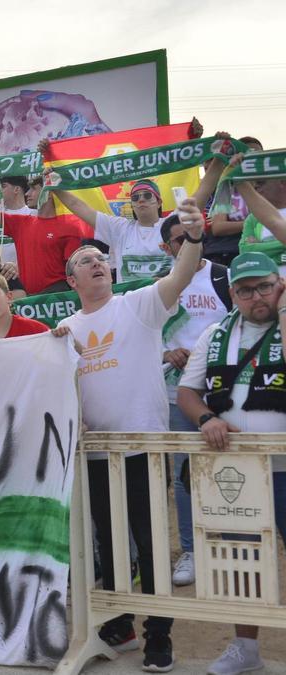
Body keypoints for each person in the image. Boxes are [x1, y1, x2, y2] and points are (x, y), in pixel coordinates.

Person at [56, 197, 207, 671]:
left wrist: (196, 237)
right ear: (72, 281)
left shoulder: (139, 305)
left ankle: (158, 634)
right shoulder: (64, 329)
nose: (97, 263)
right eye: (85, 261)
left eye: (101, 258)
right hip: (95, 455)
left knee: (148, 543)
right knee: (109, 541)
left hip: (142, 449)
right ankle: (120, 621)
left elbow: (181, 275)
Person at [174, 251, 286, 675]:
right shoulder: (215, 333)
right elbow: (188, 392)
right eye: (244, 290)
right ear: (233, 294)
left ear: (279, 284)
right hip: (237, 471)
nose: (256, 296)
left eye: (264, 286)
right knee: (243, 560)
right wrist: (206, 418)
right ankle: (246, 647)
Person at [156, 213, 233, 588]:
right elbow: (145, 339)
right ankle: (191, 548)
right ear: (165, 247)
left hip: (224, 392)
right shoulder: (158, 287)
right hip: (176, 393)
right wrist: (166, 353)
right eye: (176, 240)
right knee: (185, 474)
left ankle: (233, 543)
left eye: (189, 237)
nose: (184, 244)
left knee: (231, 468)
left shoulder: (224, 276)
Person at [0, 175, 92, 294]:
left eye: (34, 189)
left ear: (49, 193)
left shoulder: (69, 227)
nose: (27, 194)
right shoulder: (21, 222)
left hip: (57, 294)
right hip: (28, 297)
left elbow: (74, 268)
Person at [206, 136, 263, 267]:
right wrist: (253, 223)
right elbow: (218, 227)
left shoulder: (271, 186)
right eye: (248, 155)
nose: (253, 159)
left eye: (258, 154)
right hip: (230, 252)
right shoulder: (226, 187)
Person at [231, 153, 286, 277]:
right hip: (268, 290)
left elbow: (255, 252)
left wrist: (262, 248)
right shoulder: (253, 218)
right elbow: (246, 252)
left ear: (282, 182)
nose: (256, 188)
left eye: (261, 183)